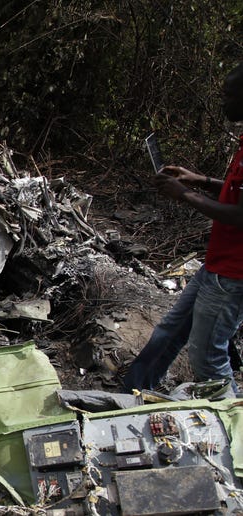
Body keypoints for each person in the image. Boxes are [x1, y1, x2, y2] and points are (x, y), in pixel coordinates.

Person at [123, 64, 243, 395]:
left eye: (229, 95)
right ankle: (133, 393)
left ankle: (232, 428)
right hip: (216, 266)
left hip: (232, 275)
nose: (223, 102)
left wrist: (184, 194)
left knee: (207, 358)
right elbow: (235, 191)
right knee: (169, 331)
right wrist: (198, 180)